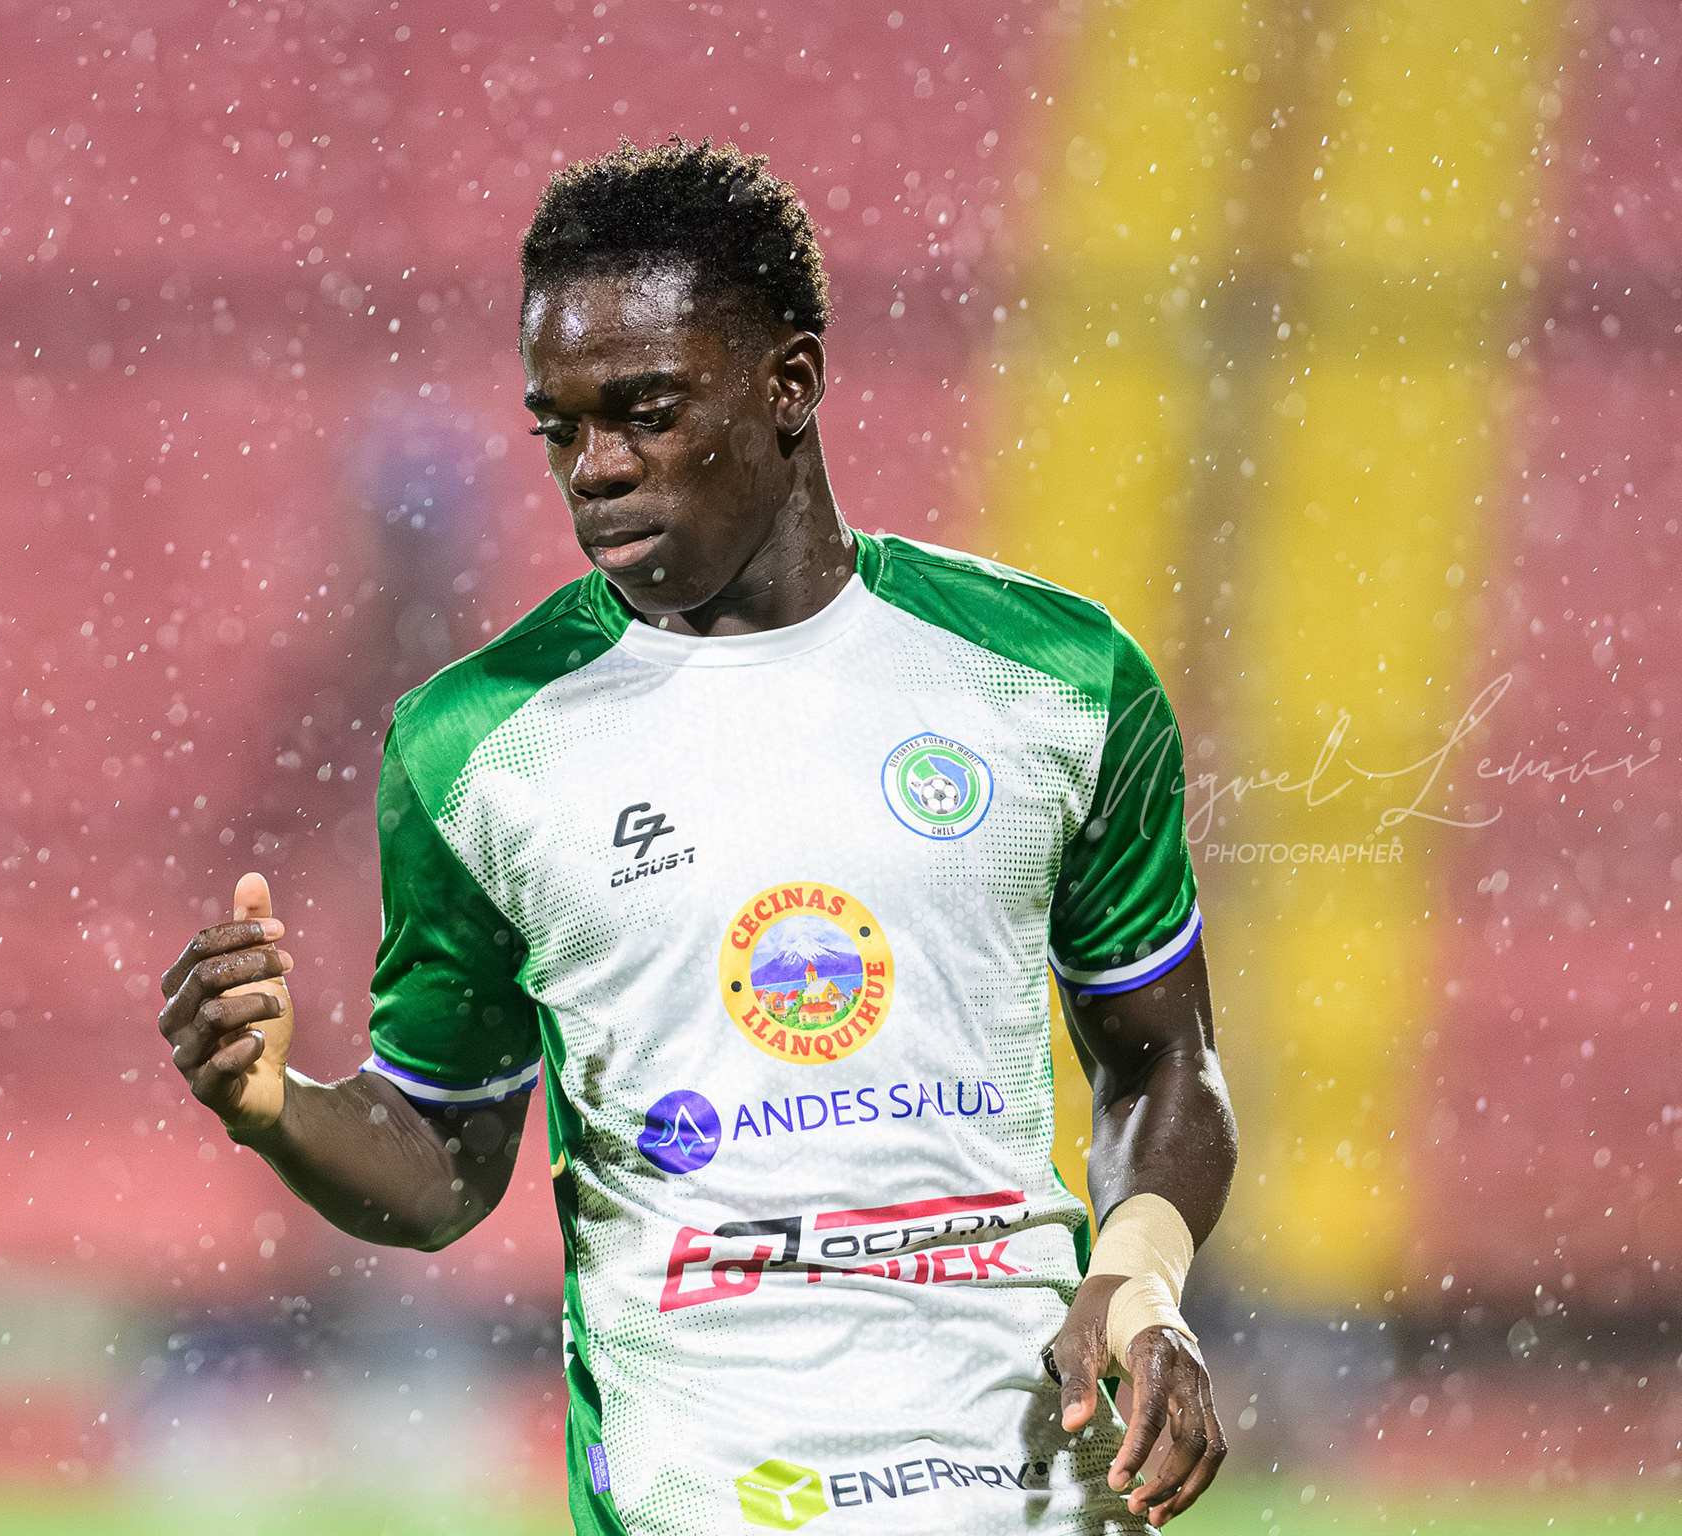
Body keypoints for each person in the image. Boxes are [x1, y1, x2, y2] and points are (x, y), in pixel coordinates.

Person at [158, 139, 1236, 1535]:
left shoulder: (1057, 679)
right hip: (706, 1496)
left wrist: (1142, 1275)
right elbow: (438, 1158)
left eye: (647, 412)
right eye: (560, 428)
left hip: (1022, 1484)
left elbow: (1161, 1060)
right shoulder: (474, 746)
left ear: (791, 383)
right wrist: (277, 1113)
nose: (596, 469)